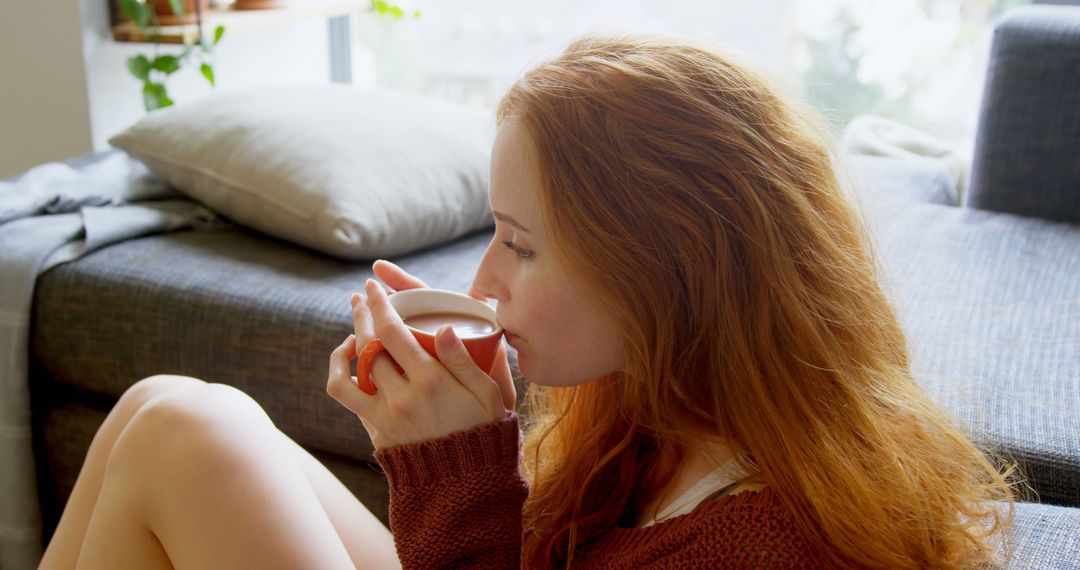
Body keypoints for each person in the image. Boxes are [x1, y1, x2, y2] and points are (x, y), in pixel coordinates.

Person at [39, 34, 1018, 569]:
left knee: (189, 438)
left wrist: (451, 473)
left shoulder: (759, 544)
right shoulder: (661, 411)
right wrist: (460, 441)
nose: (481, 287)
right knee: (163, 407)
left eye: (519, 243)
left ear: (662, 266)